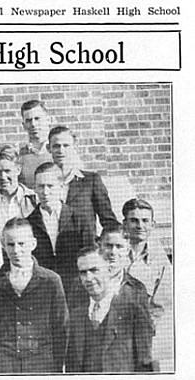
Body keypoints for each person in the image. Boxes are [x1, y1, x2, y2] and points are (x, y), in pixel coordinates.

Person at [0, 218, 68, 373]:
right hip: (3, 361)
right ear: (3, 245)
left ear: (33, 244)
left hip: (40, 360)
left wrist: (57, 365)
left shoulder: (51, 280)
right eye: (10, 244)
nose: (16, 250)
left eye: (21, 244)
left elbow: (61, 326)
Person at [65, 246, 154, 372]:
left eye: (94, 270)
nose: (88, 278)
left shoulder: (131, 311)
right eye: (83, 272)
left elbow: (145, 361)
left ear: (109, 269)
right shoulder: (76, 316)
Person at [27, 163, 95, 300]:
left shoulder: (80, 219)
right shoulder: (28, 223)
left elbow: (90, 254)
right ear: (34, 188)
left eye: (50, 186)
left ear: (61, 186)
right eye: (40, 186)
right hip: (43, 291)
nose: (45, 192)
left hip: (76, 289)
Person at [122, 198, 173, 372]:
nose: (140, 226)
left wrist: (143, 332)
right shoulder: (114, 252)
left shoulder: (161, 262)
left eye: (145, 221)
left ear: (153, 224)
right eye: (134, 220)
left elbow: (161, 306)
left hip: (142, 337)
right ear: (125, 224)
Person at [47, 126, 119, 235]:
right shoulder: (44, 183)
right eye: (56, 146)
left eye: (66, 145)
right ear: (49, 148)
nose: (61, 150)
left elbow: (109, 221)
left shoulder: (91, 181)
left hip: (85, 248)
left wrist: (99, 246)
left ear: (75, 147)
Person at [18, 100, 54, 189]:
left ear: (49, 120)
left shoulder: (60, 150)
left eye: (37, 118)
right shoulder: (19, 156)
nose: (33, 124)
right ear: (23, 125)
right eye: (29, 120)